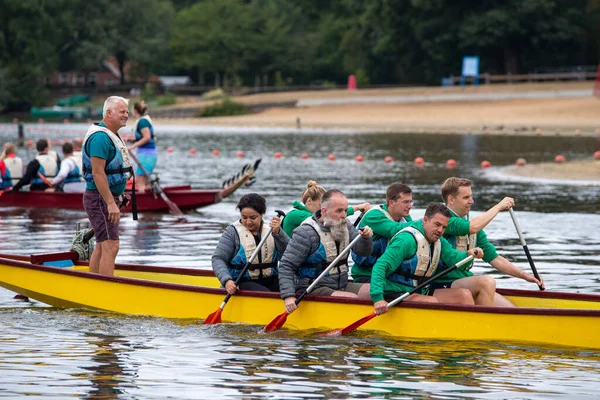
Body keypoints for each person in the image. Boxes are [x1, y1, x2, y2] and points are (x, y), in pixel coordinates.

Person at [431, 177, 545, 306]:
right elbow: (473, 227)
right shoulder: (444, 220)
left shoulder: (471, 223)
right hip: (440, 284)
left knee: (510, 308)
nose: (471, 201)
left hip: (463, 280)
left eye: (471, 196)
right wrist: (498, 207)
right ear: (451, 199)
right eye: (466, 197)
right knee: (486, 282)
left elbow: (493, 257)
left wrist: (524, 275)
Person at [371, 203, 484, 315]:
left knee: (464, 295)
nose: (440, 230)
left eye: (444, 227)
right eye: (437, 224)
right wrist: (378, 299)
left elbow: (454, 258)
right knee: (431, 302)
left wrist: (468, 255)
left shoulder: (439, 241)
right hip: (395, 292)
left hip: (420, 291)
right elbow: (381, 266)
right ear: (425, 220)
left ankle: (466, 330)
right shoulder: (406, 240)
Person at [278, 189, 374, 314]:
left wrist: (366, 238)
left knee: (375, 291)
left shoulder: (346, 225)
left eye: (345, 210)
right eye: (339, 211)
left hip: (341, 284)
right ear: (324, 211)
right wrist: (288, 296)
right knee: (352, 299)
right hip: (312, 288)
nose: (344, 215)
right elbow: (286, 266)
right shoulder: (306, 233)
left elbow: (362, 252)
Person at [82, 96, 133, 276]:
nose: (127, 115)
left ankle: (94, 283)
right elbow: (97, 173)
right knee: (111, 245)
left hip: (106, 197)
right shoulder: (100, 138)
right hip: (99, 198)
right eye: (122, 111)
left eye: (127, 111)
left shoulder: (111, 135)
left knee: (103, 244)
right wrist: (111, 203)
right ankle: (104, 290)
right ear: (109, 113)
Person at [212, 193, 289, 293]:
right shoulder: (231, 232)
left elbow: (289, 254)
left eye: (253, 218)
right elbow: (218, 258)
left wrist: (279, 234)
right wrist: (227, 280)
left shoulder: (273, 230)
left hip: (271, 280)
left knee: (291, 290)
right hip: (241, 282)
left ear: (262, 214)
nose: (248, 222)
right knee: (265, 293)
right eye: (244, 217)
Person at [351, 183, 416, 283]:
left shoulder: (405, 218)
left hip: (389, 275)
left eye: (411, 202)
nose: (410, 206)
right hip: (367, 275)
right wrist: (425, 223)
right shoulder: (373, 215)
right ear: (391, 203)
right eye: (406, 202)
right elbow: (394, 230)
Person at [281, 180, 371, 237]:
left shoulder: (304, 212)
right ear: (309, 201)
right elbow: (328, 218)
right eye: (321, 204)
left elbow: (334, 215)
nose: (324, 208)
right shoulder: (296, 214)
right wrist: (358, 207)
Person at [127, 101, 156, 192]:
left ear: (135, 110)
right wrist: (132, 140)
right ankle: (148, 200)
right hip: (146, 154)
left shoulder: (142, 121)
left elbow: (147, 137)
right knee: (144, 181)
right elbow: (144, 138)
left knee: (139, 181)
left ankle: (142, 202)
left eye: (132, 109)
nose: (131, 111)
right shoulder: (142, 121)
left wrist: (132, 146)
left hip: (147, 155)